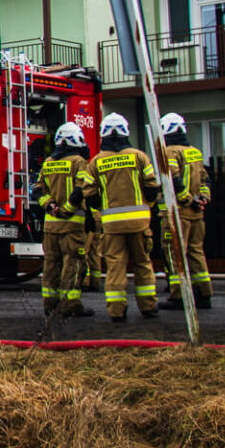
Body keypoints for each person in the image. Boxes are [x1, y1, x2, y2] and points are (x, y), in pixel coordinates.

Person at [84, 112, 161, 323]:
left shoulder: (96, 162)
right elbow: (152, 187)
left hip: (111, 225)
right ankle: (148, 307)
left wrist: (103, 209)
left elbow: (88, 194)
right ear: (126, 131)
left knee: (115, 267)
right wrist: (148, 207)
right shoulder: (139, 156)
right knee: (143, 264)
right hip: (139, 223)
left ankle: (117, 311)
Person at [31, 122, 96, 318]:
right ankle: (70, 304)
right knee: (73, 264)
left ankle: (50, 304)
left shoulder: (49, 162)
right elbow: (80, 190)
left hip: (50, 226)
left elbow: (37, 190)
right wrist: (67, 210)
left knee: (51, 264)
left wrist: (50, 206)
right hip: (72, 225)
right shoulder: (79, 162)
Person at [157, 112, 213, 310]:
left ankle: (178, 296)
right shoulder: (194, 152)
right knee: (196, 252)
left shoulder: (169, 151)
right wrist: (203, 199)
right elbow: (206, 179)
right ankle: (204, 294)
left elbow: (173, 177)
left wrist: (186, 200)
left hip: (178, 213)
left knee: (175, 253)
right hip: (197, 213)